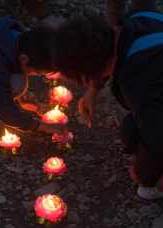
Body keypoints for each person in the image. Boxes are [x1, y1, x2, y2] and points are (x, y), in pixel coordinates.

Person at [56, 0, 163, 200]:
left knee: (146, 176)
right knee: (131, 130)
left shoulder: (137, 79)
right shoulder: (138, 17)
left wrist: (150, 175)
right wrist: (93, 90)